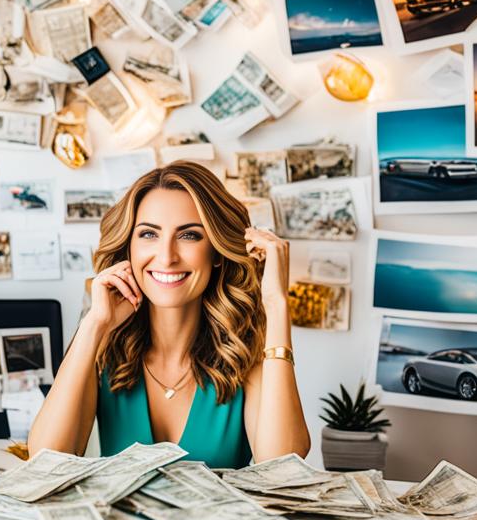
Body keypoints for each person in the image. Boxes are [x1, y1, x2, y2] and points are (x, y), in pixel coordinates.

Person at [28, 161, 310, 466]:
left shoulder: (245, 351)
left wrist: (277, 303)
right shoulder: (102, 346)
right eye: (149, 234)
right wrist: (94, 324)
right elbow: (45, 461)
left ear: (216, 251)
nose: (166, 256)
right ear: (129, 248)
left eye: (189, 235)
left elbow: (284, 466)